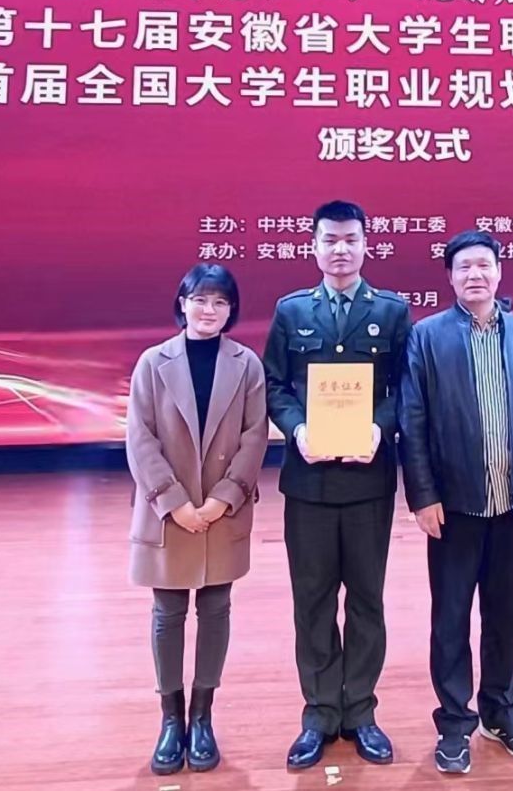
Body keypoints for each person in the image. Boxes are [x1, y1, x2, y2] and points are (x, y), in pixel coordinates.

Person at [399, 230, 513, 775]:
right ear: (449, 277)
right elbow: (413, 421)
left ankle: (501, 711)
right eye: (464, 267)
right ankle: (454, 722)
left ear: (499, 273)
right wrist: (423, 495)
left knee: (506, 614)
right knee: (450, 619)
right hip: (454, 506)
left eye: (484, 265)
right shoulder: (426, 337)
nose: (475, 274)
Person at [263, 200, 413, 769]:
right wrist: (297, 429)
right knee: (314, 600)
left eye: (351, 239)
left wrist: (379, 428)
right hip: (309, 482)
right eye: (330, 240)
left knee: (367, 600)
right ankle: (320, 713)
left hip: (369, 480)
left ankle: (361, 713)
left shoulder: (392, 311)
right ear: (314, 246)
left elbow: (405, 388)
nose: (341, 249)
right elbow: (274, 384)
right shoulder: (291, 311)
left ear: (366, 244)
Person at [125, 263, 272, 776]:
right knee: (167, 614)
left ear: (231, 311)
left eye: (220, 302)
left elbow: (255, 436)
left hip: (221, 512)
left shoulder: (247, 365)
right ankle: (171, 720)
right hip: (168, 513)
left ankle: (203, 717)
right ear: (182, 303)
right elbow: (140, 438)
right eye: (200, 300)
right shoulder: (153, 362)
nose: (209, 310)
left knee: (215, 609)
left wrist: (223, 499)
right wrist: (175, 502)